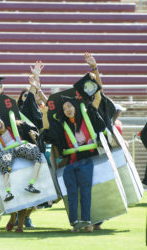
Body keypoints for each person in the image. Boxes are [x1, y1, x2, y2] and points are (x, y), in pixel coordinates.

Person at [41, 72, 105, 232]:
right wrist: (43, 113)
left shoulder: (88, 115)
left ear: (75, 106)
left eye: (69, 106)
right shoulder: (62, 125)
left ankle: (88, 221)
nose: (67, 109)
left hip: (89, 159)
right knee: (71, 193)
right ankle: (75, 223)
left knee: (86, 191)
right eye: (64, 108)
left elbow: (98, 98)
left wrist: (94, 69)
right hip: (71, 161)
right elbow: (48, 131)